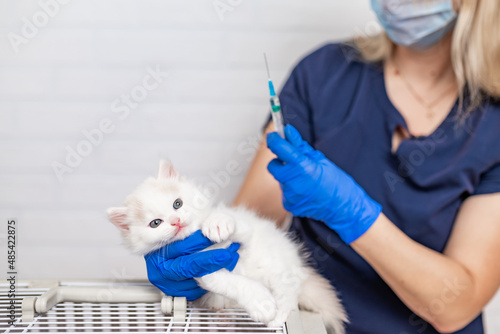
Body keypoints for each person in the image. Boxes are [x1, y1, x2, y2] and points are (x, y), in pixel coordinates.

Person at [144, 0, 500, 333]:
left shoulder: (493, 121)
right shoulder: (325, 74)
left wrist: (352, 214)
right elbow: (251, 224)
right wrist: (201, 262)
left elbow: (455, 306)